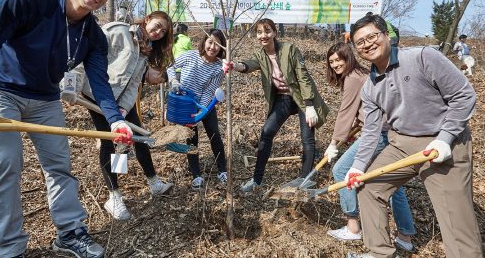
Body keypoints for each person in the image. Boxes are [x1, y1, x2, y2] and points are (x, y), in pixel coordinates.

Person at [0, 0, 132, 258]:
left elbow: (99, 81)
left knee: (59, 165)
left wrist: (115, 120)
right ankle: (8, 248)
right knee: (6, 161)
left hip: (46, 99)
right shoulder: (26, 2)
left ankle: (70, 233)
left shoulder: (94, 36)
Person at [344, 12, 482, 258]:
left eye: (372, 36)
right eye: (360, 43)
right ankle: (380, 252)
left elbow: (464, 95)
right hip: (400, 144)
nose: (367, 44)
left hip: (443, 143)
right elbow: (371, 131)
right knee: (368, 188)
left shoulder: (422, 56)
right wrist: (357, 167)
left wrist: (445, 137)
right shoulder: (370, 86)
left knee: (455, 220)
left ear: (387, 35)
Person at [63, 11, 175, 220]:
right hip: (99, 96)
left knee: (136, 140)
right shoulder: (119, 31)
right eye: (157, 25)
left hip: (122, 101)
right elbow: (84, 53)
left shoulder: (146, 51)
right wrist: (72, 85)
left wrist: (122, 111)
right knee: (109, 143)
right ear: (147, 19)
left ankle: (154, 183)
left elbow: (134, 85)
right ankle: (114, 196)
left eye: (163, 31)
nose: (158, 32)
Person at [323, 42, 415, 250]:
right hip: (389, 131)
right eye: (332, 61)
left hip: (377, 134)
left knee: (341, 170)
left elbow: (345, 112)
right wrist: (357, 122)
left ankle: (353, 226)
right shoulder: (362, 73)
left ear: (349, 58)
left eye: (339, 59)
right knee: (393, 185)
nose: (336, 64)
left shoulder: (353, 78)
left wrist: (333, 143)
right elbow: (362, 108)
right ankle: (405, 237)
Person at [230, 18, 329, 192]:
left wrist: (310, 105)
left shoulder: (289, 49)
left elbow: (303, 77)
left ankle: (305, 179)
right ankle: (256, 180)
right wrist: (234, 65)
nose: (263, 36)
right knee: (266, 132)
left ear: (275, 33)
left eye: (267, 31)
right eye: (259, 32)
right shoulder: (261, 55)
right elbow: (249, 65)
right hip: (283, 98)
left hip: (301, 96)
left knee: (307, 138)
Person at [167, 29, 228, 190]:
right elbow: (169, 65)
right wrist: (173, 80)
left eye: (217, 44)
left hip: (204, 106)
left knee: (214, 135)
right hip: (185, 105)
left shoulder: (219, 68)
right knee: (191, 139)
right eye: (210, 42)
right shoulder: (190, 56)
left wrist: (199, 113)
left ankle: (222, 170)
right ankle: (196, 176)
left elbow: (210, 91)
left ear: (222, 48)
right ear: (204, 42)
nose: (213, 47)